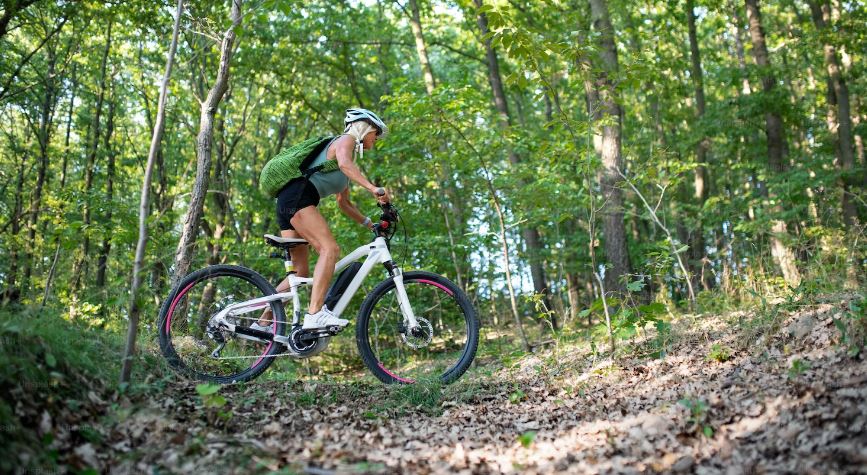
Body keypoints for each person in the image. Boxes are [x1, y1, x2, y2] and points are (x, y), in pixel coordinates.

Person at [251, 108, 390, 331]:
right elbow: (345, 163)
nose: (376, 138)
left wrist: (369, 224)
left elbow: (344, 204)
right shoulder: (346, 141)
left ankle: (262, 322)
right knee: (330, 249)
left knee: (300, 272)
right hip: (299, 197)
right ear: (365, 127)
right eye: (376, 133)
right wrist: (373, 188)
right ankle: (315, 314)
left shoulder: (343, 165)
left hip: (290, 202)